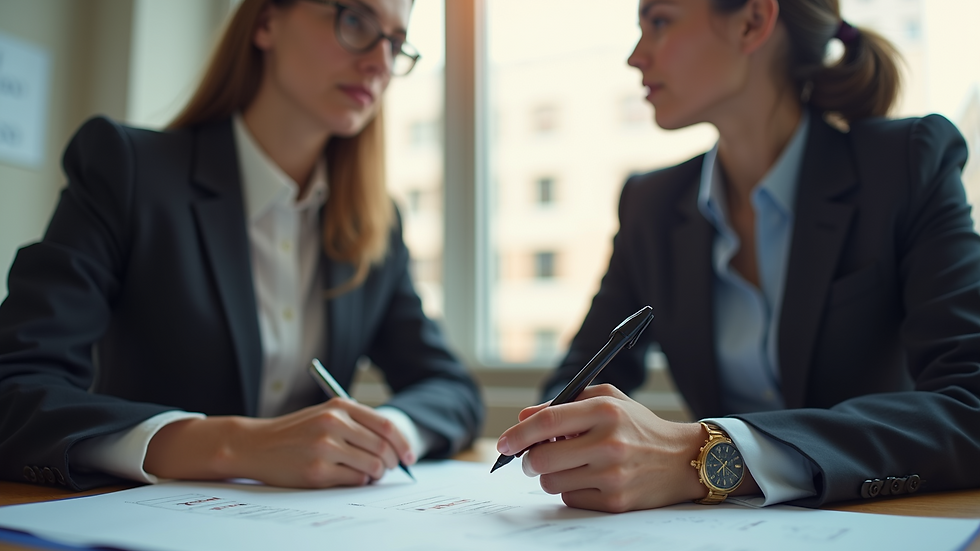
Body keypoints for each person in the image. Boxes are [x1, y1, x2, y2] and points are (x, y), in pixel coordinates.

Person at [496, 0, 980, 513]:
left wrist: (707, 454)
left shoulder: (905, 165)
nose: (636, 57)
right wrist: (571, 431)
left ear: (752, 22)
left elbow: (970, 405)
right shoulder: (652, 205)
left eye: (659, 21)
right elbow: (576, 379)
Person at [0, 0, 482, 491]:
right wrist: (234, 445)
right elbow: (14, 391)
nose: (380, 62)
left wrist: (385, 436)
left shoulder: (374, 223)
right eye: (355, 19)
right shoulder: (127, 171)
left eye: (396, 42)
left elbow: (451, 389)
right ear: (267, 22)